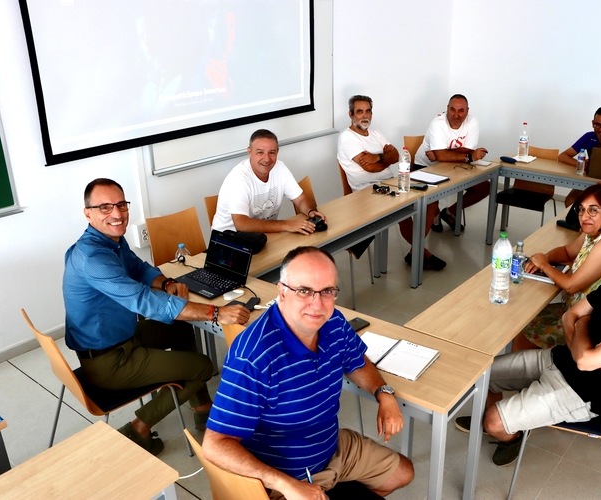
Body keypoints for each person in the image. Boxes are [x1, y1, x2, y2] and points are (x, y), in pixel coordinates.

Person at [457, 225, 601, 467]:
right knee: (481, 375)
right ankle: (507, 419)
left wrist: (582, 328)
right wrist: (581, 337)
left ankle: (511, 435)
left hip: (583, 392)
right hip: (558, 358)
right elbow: (571, 316)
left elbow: (584, 361)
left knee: (493, 422)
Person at [203, 247, 415, 499]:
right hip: (282, 476)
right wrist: (285, 484)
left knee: (403, 473)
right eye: (304, 291)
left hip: (329, 448)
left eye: (327, 291)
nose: (317, 304)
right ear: (282, 291)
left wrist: (384, 392)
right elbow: (215, 445)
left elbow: (356, 362)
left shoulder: (333, 322)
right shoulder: (253, 357)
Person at [63, 178, 252, 455]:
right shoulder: (93, 258)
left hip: (120, 338)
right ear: (87, 213)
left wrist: (165, 283)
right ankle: (138, 427)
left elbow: (138, 268)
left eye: (121, 205)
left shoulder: (111, 241)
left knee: (181, 329)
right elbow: (144, 301)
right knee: (203, 367)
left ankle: (201, 407)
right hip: (109, 361)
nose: (116, 213)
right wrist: (217, 313)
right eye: (105, 207)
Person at [514, 184, 601, 350]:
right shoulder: (595, 232)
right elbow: (568, 251)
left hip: (588, 324)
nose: (584, 216)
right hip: (577, 311)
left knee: (523, 327)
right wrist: (545, 258)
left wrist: (544, 265)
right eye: (581, 209)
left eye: (593, 210)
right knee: (524, 318)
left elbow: (571, 286)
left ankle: (529, 364)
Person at [338, 95, 445, 270]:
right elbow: (370, 168)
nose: (364, 116)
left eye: (368, 111)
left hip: (392, 183)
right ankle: (421, 253)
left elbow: (395, 156)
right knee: (404, 209)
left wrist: (379, 157)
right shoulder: (347, 137)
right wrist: (385, 160)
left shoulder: (376, 133)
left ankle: (415, 251)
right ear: (351, 114)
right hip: (368, 191)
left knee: (431, 201)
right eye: (359, 112)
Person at [212, 129, 327, 241]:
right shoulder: (238, 179)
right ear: (249, 151)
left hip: (262, 237)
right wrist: (287, 225)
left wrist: (311, 212)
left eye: (271, 152)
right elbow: (241, 224)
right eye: (260, 152)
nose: (266, 159)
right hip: (227, 242)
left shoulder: (280, 168)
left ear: (277, 152)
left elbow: (301, 199)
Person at [414, 94, 490, 233]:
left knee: (484, 187)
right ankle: (435, 214)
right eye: (452, 109)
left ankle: (449, 212)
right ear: (447, 108)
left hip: (451, 165)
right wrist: (468, 156)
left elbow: (465, 150)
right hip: (425, 166)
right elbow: (462, 154)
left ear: (467, 111)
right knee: (431, 197)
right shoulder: (438, 123)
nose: (456, 114)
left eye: (461, 110)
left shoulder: (472, 121)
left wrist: (442, 153)